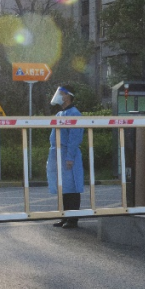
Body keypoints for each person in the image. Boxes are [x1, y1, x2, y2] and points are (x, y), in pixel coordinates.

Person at [47, 85, 84, 229]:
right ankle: (65, 216)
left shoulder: (74, 114)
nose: (58, 96)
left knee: (72, 187)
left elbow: (74, 138)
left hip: (67, 154)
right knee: (63, 187)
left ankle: (73, 219)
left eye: (61, 93)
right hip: (58, 154)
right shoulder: (60, 114)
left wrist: (70, 157)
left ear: (68, 96)